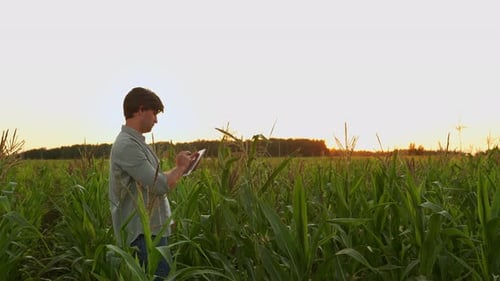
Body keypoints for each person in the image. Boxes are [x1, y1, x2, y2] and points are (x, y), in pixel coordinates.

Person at [109, 87, 194, 279]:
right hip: (143, 236)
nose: (156, 119)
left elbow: (154, 178)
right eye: (154, 113)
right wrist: (180, 168)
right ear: (140, 110)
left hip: (152, 230)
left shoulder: (136, 143)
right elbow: (160, 185)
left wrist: (182, 167)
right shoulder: (127, 145)